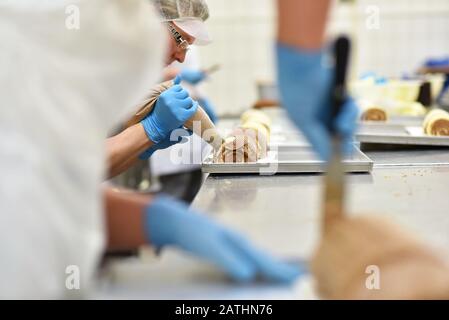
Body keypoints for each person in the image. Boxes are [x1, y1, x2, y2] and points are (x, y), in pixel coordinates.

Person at [0, 0, 300, 299]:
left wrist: (159, 221)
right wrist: (148, 130)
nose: (181, 58)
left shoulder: (75, 73)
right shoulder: (28, 63)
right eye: (180, 39)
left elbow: (59, 186)